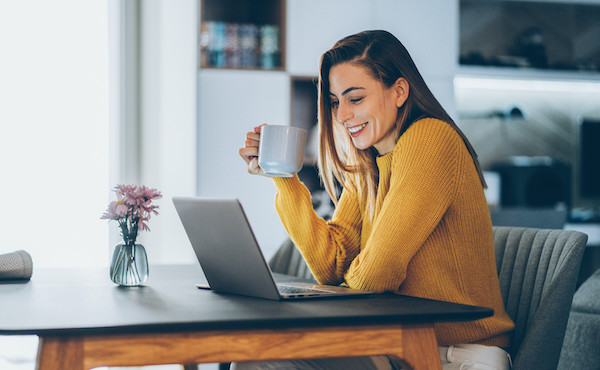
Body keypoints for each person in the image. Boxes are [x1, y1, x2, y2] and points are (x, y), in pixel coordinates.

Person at [237, 30, 514, 370]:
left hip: (456, 354)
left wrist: (351, 278)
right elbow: (330, 267)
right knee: (255, 358)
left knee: (260, 362)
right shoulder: (368, 164)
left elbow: (375, 277)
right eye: (336, 101)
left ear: (399, 91)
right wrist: (284, 178)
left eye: (355, 99)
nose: (340, 116)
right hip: (396, 343)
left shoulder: (430, 139)